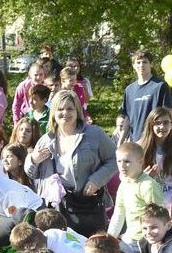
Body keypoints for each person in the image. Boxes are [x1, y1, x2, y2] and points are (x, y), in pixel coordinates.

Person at [28, 91, 117, 235]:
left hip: (91, 204)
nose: (65, 113)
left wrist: (97, 180)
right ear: (53, 112)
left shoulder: (94, 134)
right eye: (60, 109)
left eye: (70, 108)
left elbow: (115, 159)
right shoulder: (46, 139)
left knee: (94, 249)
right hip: (59, 207)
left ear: (77, 111)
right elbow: (31, 172)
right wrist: (33, 159)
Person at [106, 142, 164, 245]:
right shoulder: (124, 184)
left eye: (127, 161)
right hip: (130, 238)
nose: (122, 166)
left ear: (140, 161)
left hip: (147, 241)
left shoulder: (148, 185)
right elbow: (119, 213)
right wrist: (109, 239)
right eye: (119, 161)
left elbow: (159, 217)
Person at [121, 48, 172, 141]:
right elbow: (127, 118)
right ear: (133, 65)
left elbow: (167, 114)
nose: (141, 65)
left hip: (155, 140)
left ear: (151, 64)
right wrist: (120, 141)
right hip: (136, 141)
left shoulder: (160, 86)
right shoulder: (129, 90)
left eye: (145, 62)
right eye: (138, 62)